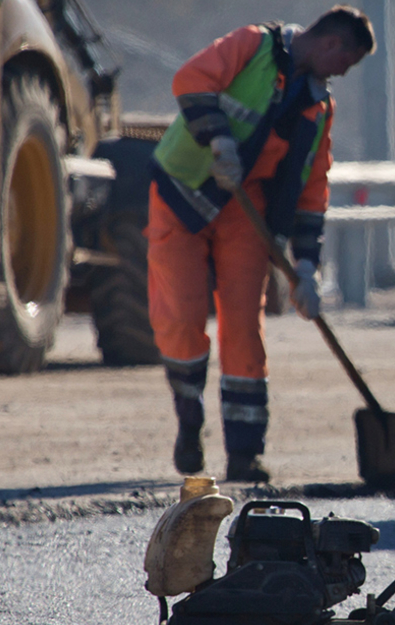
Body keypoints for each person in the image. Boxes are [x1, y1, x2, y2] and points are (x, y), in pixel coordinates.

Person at [146, 7, 374, 482]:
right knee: (182, 314)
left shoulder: (318, 107)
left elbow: (312, 186)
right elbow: (191, 79)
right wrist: (219, 141)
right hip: (183, 190)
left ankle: (245, 455)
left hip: (244, 206)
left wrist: (307, 268)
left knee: (245, 325)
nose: (341, 75)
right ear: (332, 46)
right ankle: (189, 420)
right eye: (345, 64)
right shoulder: (253, 46)